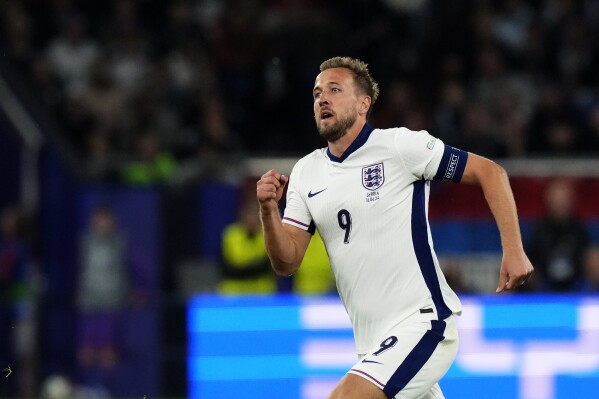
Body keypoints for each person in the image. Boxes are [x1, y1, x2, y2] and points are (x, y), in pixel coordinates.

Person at [256, 56, 533, 399]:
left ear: (363, 104)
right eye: (316, 93)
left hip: (423, 323)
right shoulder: (306, 172)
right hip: (372, 344)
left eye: (334, 90)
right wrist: (269, 210)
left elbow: (490, 172)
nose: (321, 99)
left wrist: (514, 249)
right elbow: (287, 262)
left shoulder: (400, 146)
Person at [526, 178, 591, 291]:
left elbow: (589, 257)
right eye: (557, 198)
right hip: (544, 286)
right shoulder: (539, 229)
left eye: (563, 198)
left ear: (571, 200)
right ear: (548, 199)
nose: (560, 203)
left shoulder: (580, 229)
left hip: (576, 285)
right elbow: (529, 260)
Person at [218, 199, 277, 294]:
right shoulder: (231, 234)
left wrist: (244, 266)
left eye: (255, 214)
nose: (251, 218)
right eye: (249, 214)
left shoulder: (268, 234)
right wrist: (255, 266)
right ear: (242, 215)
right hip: (234, 292)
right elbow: (230, 266)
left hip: (262, 292)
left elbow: (269, 266)